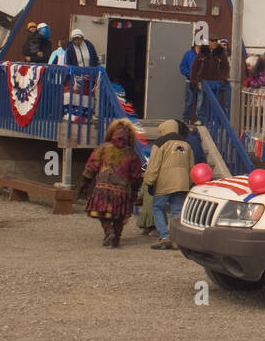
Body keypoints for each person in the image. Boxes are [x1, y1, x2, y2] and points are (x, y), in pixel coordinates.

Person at [79, 119, 143, 248]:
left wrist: (84, 184)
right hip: (122, 189)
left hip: (103, 186)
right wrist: (135, 192)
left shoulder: (103, 148)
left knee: (102, 212)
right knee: (120, 215)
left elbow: (92, 166)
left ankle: (108, 231)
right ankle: (116, 239)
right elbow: (136, 176)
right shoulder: (132, 153)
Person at [143, 119, 195, 250]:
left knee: (157, 208)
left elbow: (154, 165)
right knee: (177, 210)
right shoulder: (186, 144)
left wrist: (149, 181)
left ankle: (164, 237)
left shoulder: (160, 143)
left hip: (165, 182)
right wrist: (189, 183)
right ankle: (175, 239)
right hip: (182, 182)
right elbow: (191, 166)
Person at [179, 42, 198, 122]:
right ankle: (186, 119)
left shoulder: (204, 54)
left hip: (201, 82)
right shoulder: (189, 54)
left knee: (201, 102)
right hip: (190, 81)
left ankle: (200, 120)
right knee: (189, 101)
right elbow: (182, 66)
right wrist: (189, 74)